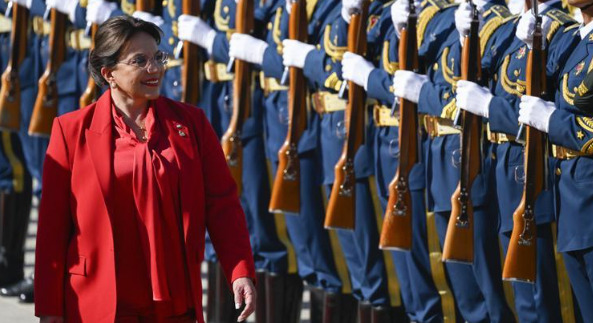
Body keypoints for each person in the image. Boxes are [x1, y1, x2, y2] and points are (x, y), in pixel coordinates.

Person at [33, 16, 256, 323]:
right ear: (108, 73)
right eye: (140, 60)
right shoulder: (70, 131)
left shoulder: (192, 124)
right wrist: (49, 308)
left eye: (158, 57)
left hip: (174, 305)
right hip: (99, 304)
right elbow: (51, 230)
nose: (155, 69)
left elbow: (222, 205)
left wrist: (239, 271)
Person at [392, 0, 516, 320]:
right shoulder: (447, 18)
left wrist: (424, 95)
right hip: (440, 162)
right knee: (463, 292)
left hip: (470, 162)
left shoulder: (498, 23)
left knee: (490, 289)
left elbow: (467, 96)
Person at [456, 0, 577, 321]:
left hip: (534, 169)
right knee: (520, 293)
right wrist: (463, 37)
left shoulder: (562, 29)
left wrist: (490, 108)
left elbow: (548, 113)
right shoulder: (507, 28)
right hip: (503, 167)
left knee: (545, 297)